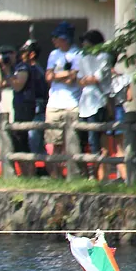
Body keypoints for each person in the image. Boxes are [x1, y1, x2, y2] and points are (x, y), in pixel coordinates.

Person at [44, 21, 83, 168]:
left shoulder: (77, 53)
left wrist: (56, 74)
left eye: (56, 37)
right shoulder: (53, 54)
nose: (53, 40)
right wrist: (65, 74)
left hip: (72, 103)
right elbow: (48, 76)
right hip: (54, 103)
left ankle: (73, 173)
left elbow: (72, 78)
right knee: (54, 143)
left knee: (71, 142)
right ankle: (56, 176)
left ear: (64, 38)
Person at [76, 29, 113, 156]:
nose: (84, 46)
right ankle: (88, 170)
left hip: (99, 101)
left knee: (95, 137)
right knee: (81, 136)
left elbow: (97, 78)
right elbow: (80, 79)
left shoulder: (104, 57)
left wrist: (87, 80)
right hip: (85, 100)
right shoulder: (83, 57)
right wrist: (86, 80)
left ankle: (97, 168)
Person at [10, 40, 48, 159]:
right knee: (25, 142)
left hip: (37, 110)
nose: (21, 55)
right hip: (30, 109)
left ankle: (51, 173)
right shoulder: (29, 68)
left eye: (24, 52)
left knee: (35, 144)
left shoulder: (34, 70)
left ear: (32, 54)